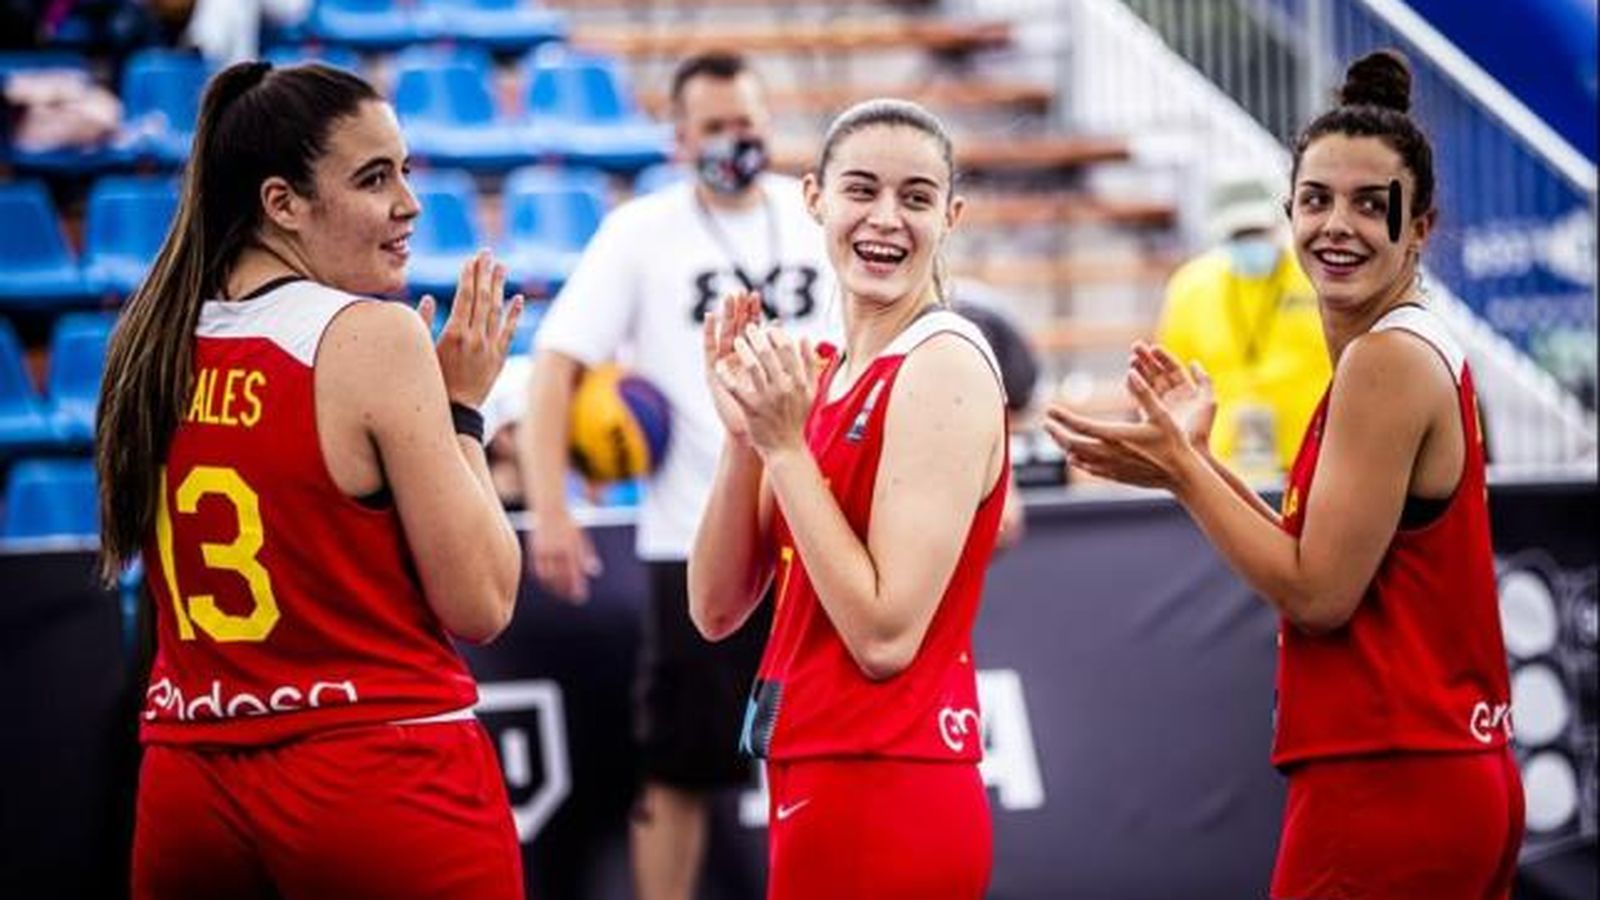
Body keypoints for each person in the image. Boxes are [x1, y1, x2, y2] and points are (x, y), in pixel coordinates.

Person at [1047, 50, 1523, 898]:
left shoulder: (1386, 361)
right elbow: (1321, 556)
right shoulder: (1404, 352)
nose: (1336, 225)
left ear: (1421, 229)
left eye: (1371, 206)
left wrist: (1185, 475)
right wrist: (1190, 462)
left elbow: (1316, 593)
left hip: (1390, 779)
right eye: (1316, 200)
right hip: (1435, 773)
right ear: (1288, 212)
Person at [93, 61, 525, 899]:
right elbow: (483, 603)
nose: (410, 202)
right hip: (376, 771)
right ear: (281, 204)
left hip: (188, 778)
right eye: (375, 178)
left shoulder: (148, 341)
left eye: (405, 169)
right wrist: (463, 410)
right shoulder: (370, 337)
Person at [516, 51, 832, 900]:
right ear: (682, 136)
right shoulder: (642, 231)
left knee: (828, 766)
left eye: (749, 123)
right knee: (677, 773)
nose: (737, 140)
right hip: (696, 542)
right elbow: (556, 364)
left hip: (822, 534)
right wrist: (551, 508)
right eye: (717, 127)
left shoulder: (815, 219)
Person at [689, 98, 1008, 899]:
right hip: (821, 775)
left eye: (916, 197)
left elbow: (884, 635)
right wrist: (745, 440)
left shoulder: (943, 365)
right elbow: (718, 607)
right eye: (861, 190)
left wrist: (786, 447)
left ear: (951, 215)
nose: (886, 219)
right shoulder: (823, 371)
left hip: (889, 785)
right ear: (814, 199)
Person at [1155, 171, 1329, 477]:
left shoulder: (1320, 279)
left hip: (1315, 458)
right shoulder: (1189, 288)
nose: (1250, 243)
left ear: (1279, 223)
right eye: (1239, 235)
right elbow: (1172, 380)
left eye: (1257, 231)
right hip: (1222, 464)